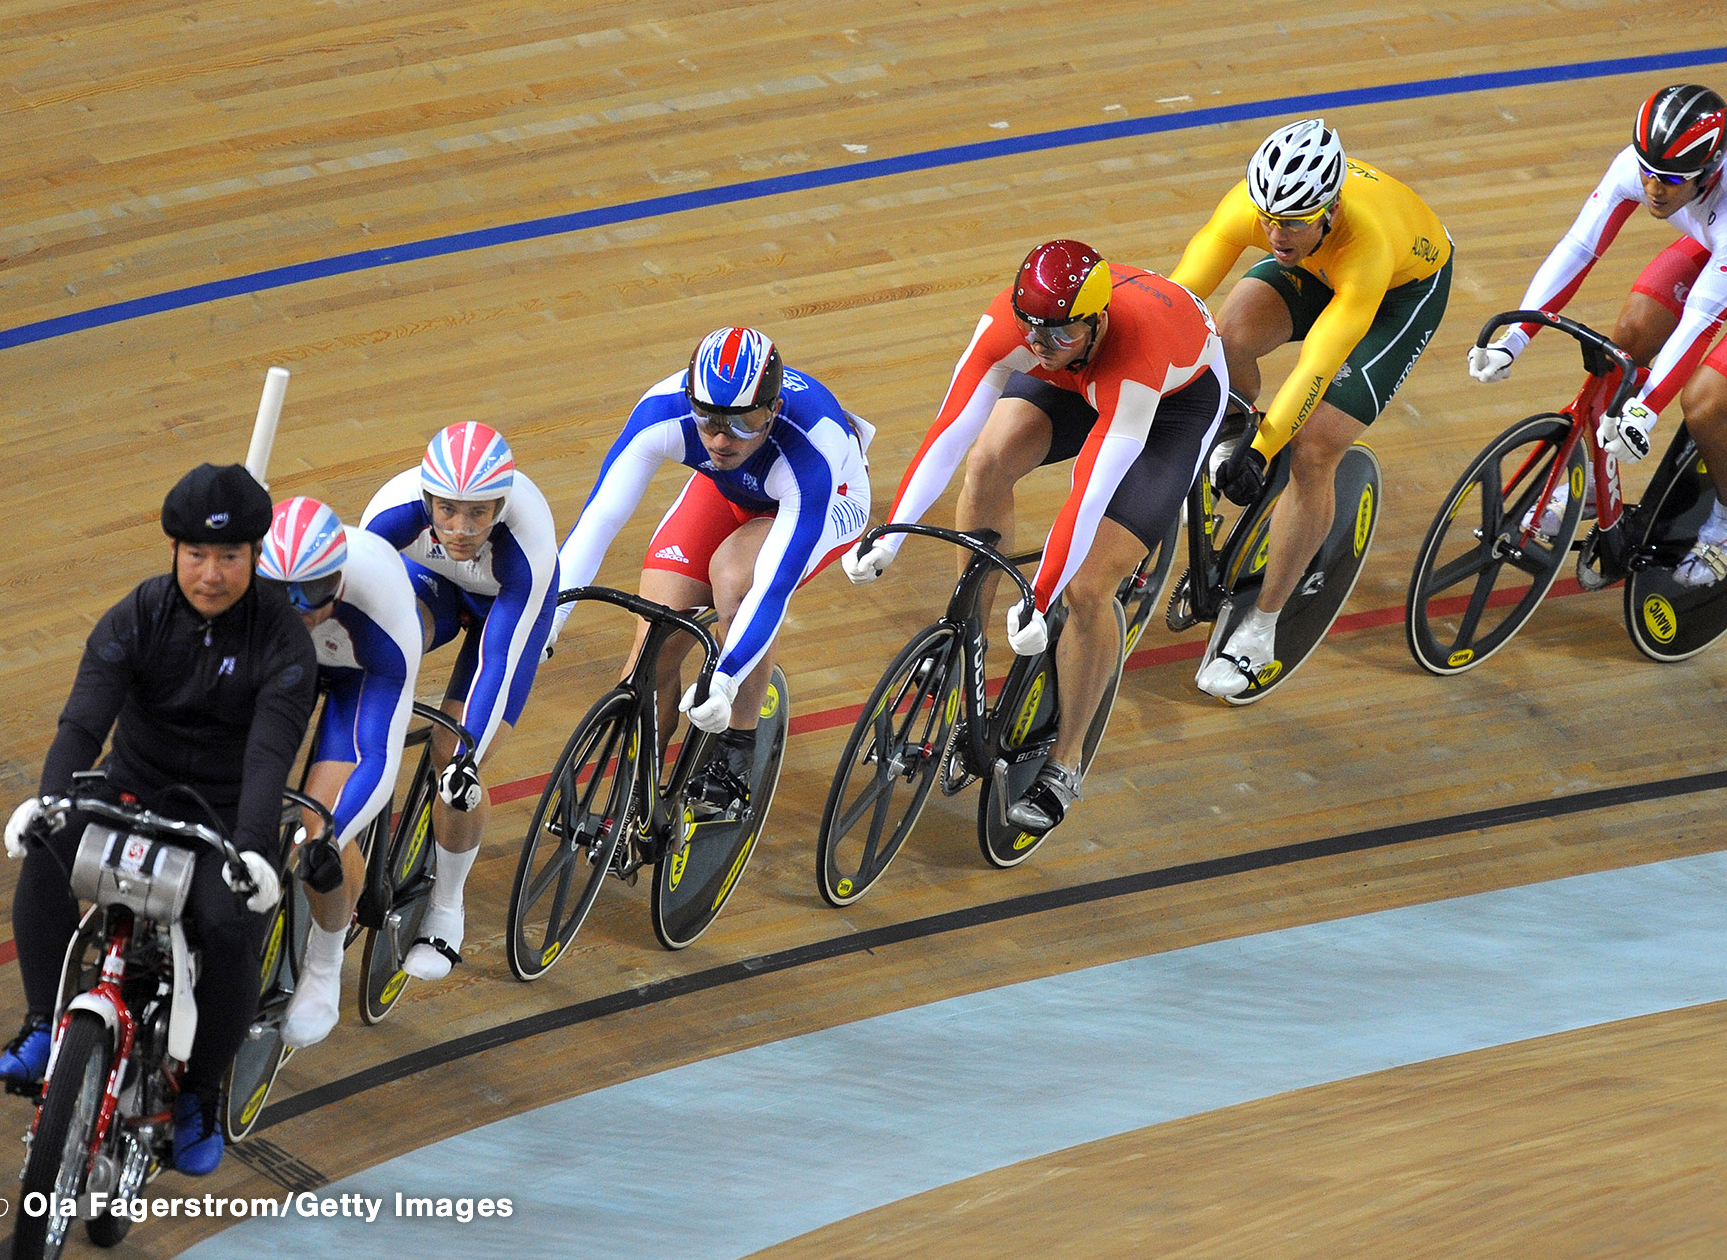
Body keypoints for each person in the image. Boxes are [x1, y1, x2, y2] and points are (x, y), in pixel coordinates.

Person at [0, 463, 317, 1176]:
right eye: (196, 556)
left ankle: (200, 1094)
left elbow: (270, 756)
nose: (210, 574)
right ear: (174, 552)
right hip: (131, 790)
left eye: (229, 558)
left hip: (223, 815)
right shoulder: (137, 615)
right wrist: (49, 800)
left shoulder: (283, 639)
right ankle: (43, 1026)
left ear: (254, 558)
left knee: (229, 927)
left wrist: (255, 851)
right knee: (49, 853)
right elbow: (83, 720)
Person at [845, 241, 1226, 834]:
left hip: (1168, 408)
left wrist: (1041, 594)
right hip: (1080, 383)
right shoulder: (1017, 326)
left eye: (1059, 336)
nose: (1041, 347)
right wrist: (891, 535)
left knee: (1089, 587)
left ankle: (1065, 764)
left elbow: (1089, 492)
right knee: (987, 462)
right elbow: (950, 431)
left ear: (1097, 321)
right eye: (1033, 331)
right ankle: (965, 632)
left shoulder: (1135, 347)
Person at [1468, 83, 1727, 587]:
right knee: (1629, 337)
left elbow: (1700, 319)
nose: (1655, 189)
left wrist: (1646, 408)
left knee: (1703, 404)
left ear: (1709, 173)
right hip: (1716, 243)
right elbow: (1579, 247)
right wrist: (1516, 336)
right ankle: (1590, 482)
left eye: (1673, 179)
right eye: (1649, 172)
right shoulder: (1642, 168)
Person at [1170, 118, 1453, 697]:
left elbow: (1316, 367)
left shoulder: (1366, 241)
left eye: (1294, 220)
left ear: (1328, 209)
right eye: (1270, 218)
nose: (1277, 232)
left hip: (1398, 291)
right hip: (1322, 265)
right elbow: (1178, 296)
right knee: (1225, 337)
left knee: (1315, 445)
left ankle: (1263, 626)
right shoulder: (1264, 214)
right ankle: (1236, 420)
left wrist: (1263, 447)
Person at [552, 327, 871, 804]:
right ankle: (634, 801)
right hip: (731, 488)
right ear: (689, 400)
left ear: (773, 410)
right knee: (649, 649)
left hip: (828, 499)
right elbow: (600, 519)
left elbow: (773, 588)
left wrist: (723, 681)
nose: (720, 439)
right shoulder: (664, 411)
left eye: (741, 422)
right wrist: (548, 620)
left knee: (735, 579)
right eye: (708, 421)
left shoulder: (810, 445)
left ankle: (737, 750)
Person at [362, 422, 558, 981]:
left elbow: (498, 660)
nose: (462, 528)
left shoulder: (526, 542)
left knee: (452, 763)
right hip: (431, 585)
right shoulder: (390, 514)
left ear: (501, 505)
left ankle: (447, 907)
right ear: (427, 499)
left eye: (479, 513)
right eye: (447, 511)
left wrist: (466, 762)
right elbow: (357, 608)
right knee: (382, 651)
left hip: (509, 612)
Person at [255, 496, 422, 1047]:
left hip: (364, 678)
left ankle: (324, 968)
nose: (305, 607)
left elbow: (378, 756)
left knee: (315, 829)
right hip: (284, 663)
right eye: (286, 594)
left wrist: (330, 833)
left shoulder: (376, 601)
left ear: (341, 578)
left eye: (319, 590)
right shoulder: (242, 596)